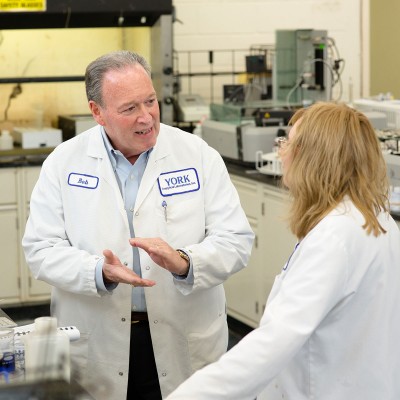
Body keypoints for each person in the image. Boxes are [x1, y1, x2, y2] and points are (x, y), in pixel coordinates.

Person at [22, 50, 254, 400]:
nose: (147, 117)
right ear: (97, 112)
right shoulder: (64, 163)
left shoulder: (197, 154)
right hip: (97, 341)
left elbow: (236, 239)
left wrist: (186, 262)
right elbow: (40, 250)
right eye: (130, 108)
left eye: (151, 101)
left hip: (184, 338)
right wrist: (98, 271)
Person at [166, 102, 400, 400]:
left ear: (313, 157)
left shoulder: (334, 237)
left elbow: (271, 344)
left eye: (287, 142)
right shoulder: (375, 218)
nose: (281, 152)